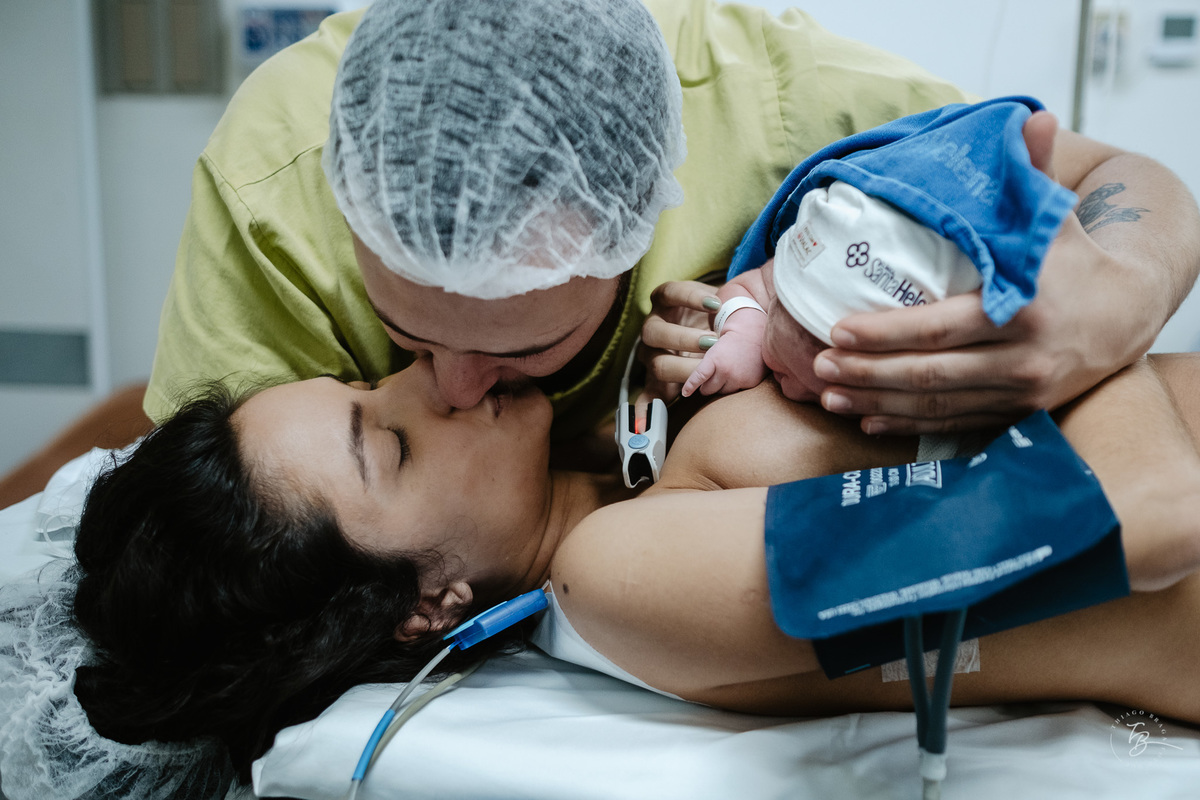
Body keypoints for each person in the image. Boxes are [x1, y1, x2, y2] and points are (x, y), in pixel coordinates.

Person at [25, 347, 1199, 795]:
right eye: (389, 439)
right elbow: (1143, 522)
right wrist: (1061, 320)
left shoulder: (637, 456)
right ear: (421, 606)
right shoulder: (616, 574)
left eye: (365, 380)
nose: (433, 375)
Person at [145, 0, 1200, 449]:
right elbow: (222, 555)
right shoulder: (273, 189)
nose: (451, 389)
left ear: (652, 207)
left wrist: (1124, 288)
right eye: (404, 335)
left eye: (529, 347)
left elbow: (1102, 169)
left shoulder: (784, 105)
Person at [680, 97, 1073, 406]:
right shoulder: (793, 268)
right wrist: (745, 331)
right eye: (784, 327)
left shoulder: (948, 360)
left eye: (831, 385)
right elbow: (749, 289)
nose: (794, 392)